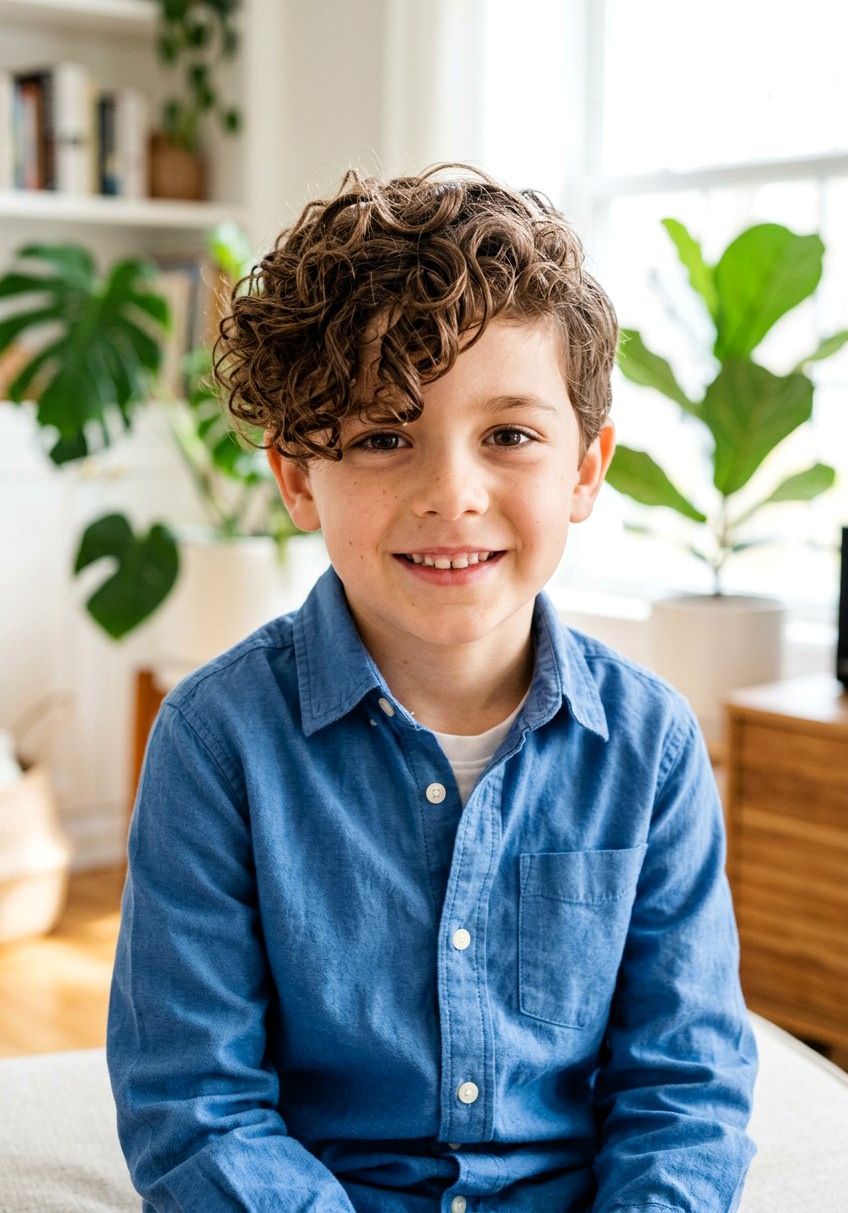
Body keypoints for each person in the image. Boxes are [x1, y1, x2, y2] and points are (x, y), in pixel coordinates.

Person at [107, 165, 757, 1213]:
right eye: (380, 435)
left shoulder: (652, 746)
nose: (450, 493)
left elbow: (682, 1088)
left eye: (508, 435)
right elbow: (193, 1107)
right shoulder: (215, 738)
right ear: (294, 474)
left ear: (585, 468)